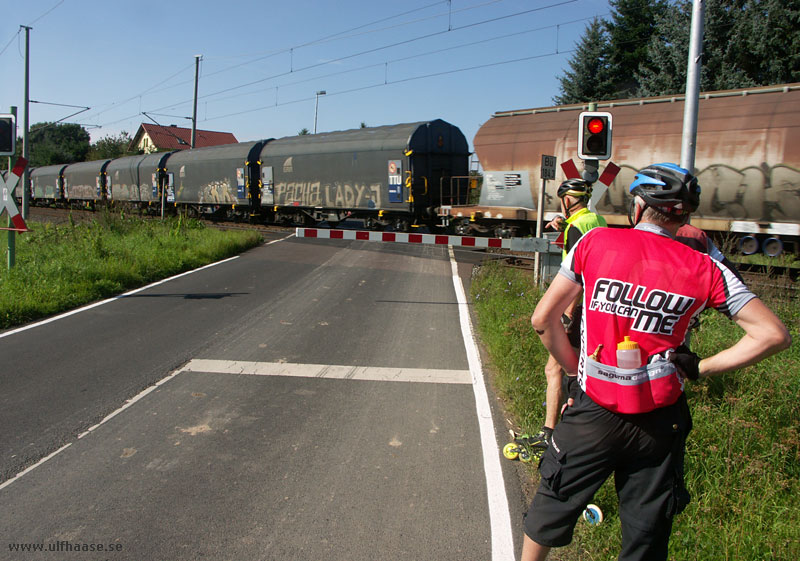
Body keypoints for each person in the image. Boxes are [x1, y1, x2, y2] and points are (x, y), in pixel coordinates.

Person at [522, 163, 790, 561]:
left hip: (595, 409)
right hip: (660, 419)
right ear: (683, 214)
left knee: (552, 504)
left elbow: (543, 321)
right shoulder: (706, 267)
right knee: (646, 535)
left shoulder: (595, 242)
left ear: (639, 206)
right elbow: (773, 335)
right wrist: (700, 367)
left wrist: (578, 371)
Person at [532, 179, 607, 448]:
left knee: (556, 369)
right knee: (578, 368)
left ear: (566, 200)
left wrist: (566, 316)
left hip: (579, 306)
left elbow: (578, 277)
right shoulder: (596, 220)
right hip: (599, 306)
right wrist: (563, 226)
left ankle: (552, 434)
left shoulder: (576, 226)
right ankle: (563, 431)